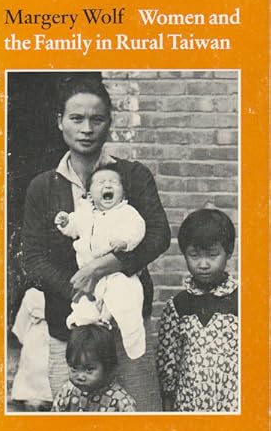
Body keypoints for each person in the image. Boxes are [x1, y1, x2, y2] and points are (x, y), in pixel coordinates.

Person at [21, 75, 171, 411]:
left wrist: (105, 266)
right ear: (59, 122)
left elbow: (158, 234)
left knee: (140, 416)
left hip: (125, 324)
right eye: (77, 118)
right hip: (69, 331)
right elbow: (32, 258)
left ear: (109, 123)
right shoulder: (43, 187)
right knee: (73, 425)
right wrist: (82, 288)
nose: (87, 128)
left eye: (97, 119)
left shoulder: (133, 176)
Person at [54, 165, 146, 360]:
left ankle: (123, 331)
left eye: (113, 182)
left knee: (125, 299)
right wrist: (65, 223)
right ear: (89, 195)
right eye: (101, 183)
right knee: (85, 304)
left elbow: (138, 229)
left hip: (116, 272)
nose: (107, 185)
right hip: (89, 273)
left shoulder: (127, 212)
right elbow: (74, 228)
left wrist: (126, 242)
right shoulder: (85, 213)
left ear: (122, 193)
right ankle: (86, 321)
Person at [156, 208, 238, 412]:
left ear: (228, 252)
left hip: (233, 407)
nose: (203, 264)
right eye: (194, 255)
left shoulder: (245, 303)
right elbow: (168, 363)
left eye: (212, 255)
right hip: (188, 407)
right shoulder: (177, 307)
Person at [51, 324, 136, 412]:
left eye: (89, 369)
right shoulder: (67, 391)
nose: (80, 376)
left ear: (107, 366)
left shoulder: (121, 403)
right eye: (74, 368)